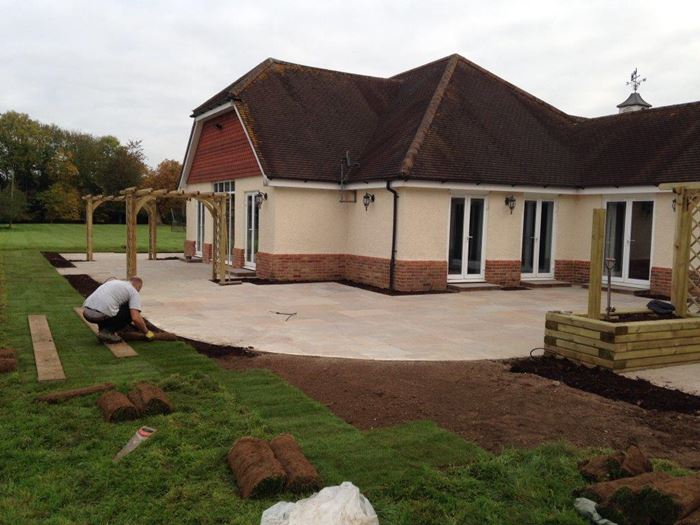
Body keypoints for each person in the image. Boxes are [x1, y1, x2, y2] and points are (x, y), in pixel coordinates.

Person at [82, 276, 154, 343]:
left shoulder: (114, 282)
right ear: (138, 286)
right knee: (129, 312)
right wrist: (147, 332)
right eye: (139, 289)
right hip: (100, 315)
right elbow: (135, 318)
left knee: (110, 306)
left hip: (87, 313)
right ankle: (107, 332)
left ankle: (102, 331)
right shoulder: (133, 291)